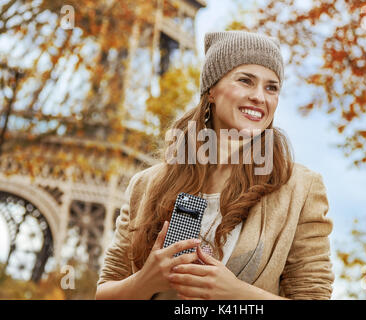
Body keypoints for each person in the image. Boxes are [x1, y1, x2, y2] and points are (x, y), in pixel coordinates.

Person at [95, 30, 334, 300]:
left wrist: (236, 293)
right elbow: (105, 292)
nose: (259, 97)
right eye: (245, 81)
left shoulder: (300, 189)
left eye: (272, 87)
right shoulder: (147, 185)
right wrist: (145, 282)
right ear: (211, 90)